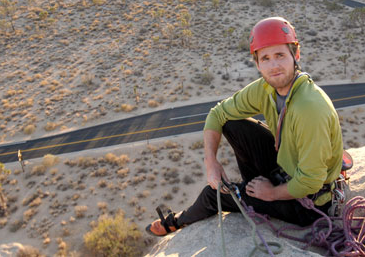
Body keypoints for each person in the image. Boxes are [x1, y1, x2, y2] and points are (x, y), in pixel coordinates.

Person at [146, 17, 343, 236]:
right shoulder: (266, 89)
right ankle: (253, 189)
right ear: (257, 64)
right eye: (265, 58)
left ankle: (177, 221)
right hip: (286, 168)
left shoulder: (309, 108)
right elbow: (218, 114)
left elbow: (310, 182)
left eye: (280, 55)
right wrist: (211, 160)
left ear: (295, 55)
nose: (274, 65)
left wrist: (271, 193)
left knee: (214, 195)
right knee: (232, 122)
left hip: (308, 203)